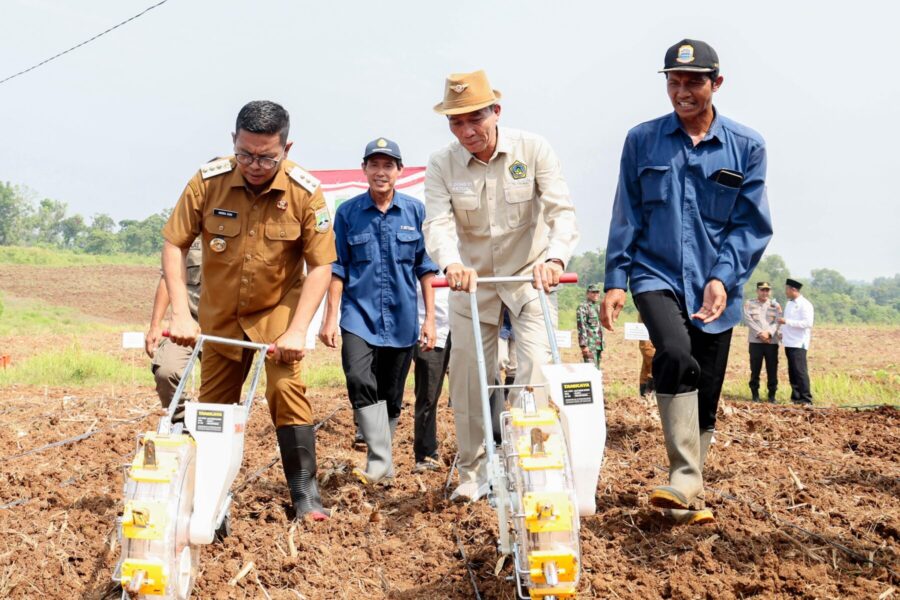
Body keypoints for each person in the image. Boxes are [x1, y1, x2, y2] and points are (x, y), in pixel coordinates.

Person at [601, 40, 773, 525]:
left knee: (708, 391)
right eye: (674, 82)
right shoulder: (642, 140)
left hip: (716, 287)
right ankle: (682, 474)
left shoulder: (747, 146)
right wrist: (616, 279)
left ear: (716, 83)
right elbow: (626, 213)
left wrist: (723, 277)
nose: (682, 91)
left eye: (693, 82)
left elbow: (751, 225)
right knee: (674, 354)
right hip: (653, 273)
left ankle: (688, 494)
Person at [162, 100, 336, 521]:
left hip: (277, 315)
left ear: (286, 149)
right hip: (220, 316)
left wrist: (298, 330)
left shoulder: (305, 192)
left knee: (285, 390)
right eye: (245, 154)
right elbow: (174, 243)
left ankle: (305, 493)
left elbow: (320, 266)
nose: (255, 165)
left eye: (266, 157)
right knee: (214, 410)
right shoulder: (208, 182)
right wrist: (180, 313)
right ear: (233, 142)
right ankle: (210, 504)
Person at [423, 70, 580, 501]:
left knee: (535, 372)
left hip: (529, 279)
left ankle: (531, 466)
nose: (467, 131)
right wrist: (451, 263)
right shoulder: (442, 164)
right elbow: (437, 223)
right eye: (456, 122)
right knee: (469, 379)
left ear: (496, 111)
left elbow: (561, 211)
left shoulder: (533, 149)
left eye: (475, 118)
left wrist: (555, 259)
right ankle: (474, 473)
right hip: (472, 284)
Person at [319, 138, 438, 485]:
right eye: (374, 165)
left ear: (399, 171)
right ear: (364, 169)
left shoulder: (415, 212)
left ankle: (382, 465)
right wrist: (330, 318)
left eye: (388, 166)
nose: (381, 172)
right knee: (358, 377)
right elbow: (337, 268)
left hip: (402, 319)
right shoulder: (348, 213)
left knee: (391, 394)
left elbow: (425, 269)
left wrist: (430, 320)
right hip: (358, 314)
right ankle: (379, 457)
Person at [145, 238, 202, 422]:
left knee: (219, 393)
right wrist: (155, 326)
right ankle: (183, 422)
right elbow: (167, 279)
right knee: (166, 371)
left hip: (223, 326)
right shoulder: (187, 238)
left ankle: (209, 427)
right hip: (186, 324)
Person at [413, 281, 451, 472]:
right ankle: (426, 453)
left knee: (481, 384)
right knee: (428, 392)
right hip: (429, 327)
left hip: (466, 321)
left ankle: (491, 444)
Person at [743, 281, 782, 402]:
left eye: (767, 290)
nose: (765, 292)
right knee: (755, 369)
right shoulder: (749, 304)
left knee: (772, 369)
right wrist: (760, 333)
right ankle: (755, 394)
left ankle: (772, 395)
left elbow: (778, 321)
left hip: (771, 342)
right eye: (762, 290)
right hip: (755, 342)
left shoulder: (775, 305)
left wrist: (769, 333)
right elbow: (748, 320)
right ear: (757, 291)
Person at [779, 279, 814, 405]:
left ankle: (806, 398)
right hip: (788, 342)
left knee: (800, 371)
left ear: (793, 289)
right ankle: (796, 398)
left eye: (787, 289)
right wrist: (781, 332)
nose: (786, 292)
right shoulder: (789, 304)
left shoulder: (805, 304)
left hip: (799, 343)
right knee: (792, 372)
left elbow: (807, 323)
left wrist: (787, 322)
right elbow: (785, 321)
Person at [576, 284, 604, 368]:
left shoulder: (598, 307)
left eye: (597, 292)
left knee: (597, 369)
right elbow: (581, 326)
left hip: (598, 345)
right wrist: (584, 345)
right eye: (593, 292)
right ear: (587, 293)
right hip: (589, 345)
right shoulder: (583, 307)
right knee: (590, 369)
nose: (596, 294)